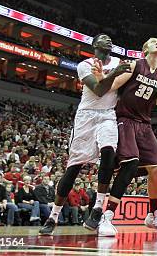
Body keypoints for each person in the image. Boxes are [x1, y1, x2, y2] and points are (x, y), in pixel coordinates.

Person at [39, 34, 130, 235]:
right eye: (103, 38)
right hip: (86, 116)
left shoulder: (118, 62)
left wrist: (115, 75)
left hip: (107, 115)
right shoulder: (84, 65)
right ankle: (53, 216)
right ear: (95, 45)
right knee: (74, 168)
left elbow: (118, 87)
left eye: (110, 38)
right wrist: (114, 73)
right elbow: (99, 90)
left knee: (108, 152)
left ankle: (98, 207)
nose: (108, 40)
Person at [94, 37, 157, 236]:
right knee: (130, 163)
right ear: (144, 48)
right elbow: (111, 85)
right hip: (125, 120)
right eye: (153, 42)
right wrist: (100, 77)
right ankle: (107, 216)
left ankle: (154, 215)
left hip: (144, 125)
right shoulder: (134, 65)